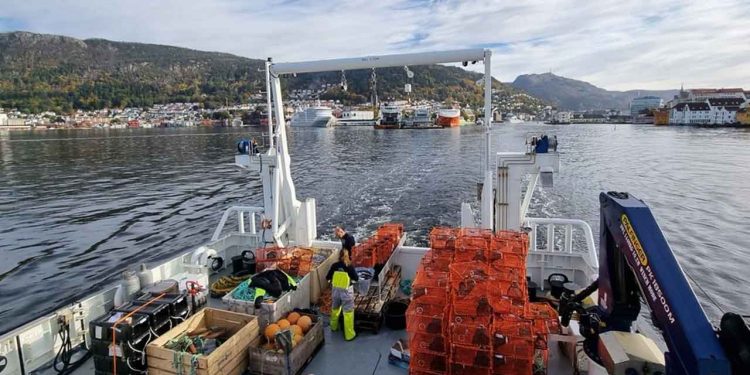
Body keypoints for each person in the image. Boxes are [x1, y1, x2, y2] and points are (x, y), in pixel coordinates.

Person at [326, 249, 359, 341]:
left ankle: (333, 327)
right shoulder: (349, 267)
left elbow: (327, 277)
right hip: (346, 293)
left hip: (336, 292)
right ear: (347, 256)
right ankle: (349, 335)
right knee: (348, 313)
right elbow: (356, 278)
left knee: (335, 309)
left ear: (338, 256)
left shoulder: (334, 266)